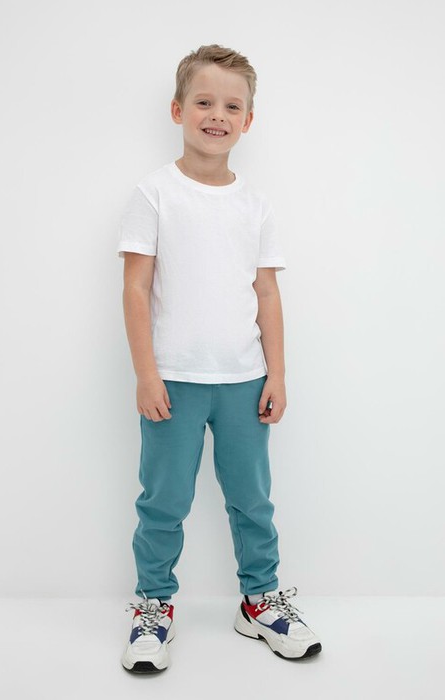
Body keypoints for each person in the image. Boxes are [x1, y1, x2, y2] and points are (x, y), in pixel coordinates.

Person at [117, 44, 322, 674]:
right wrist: (146, 374)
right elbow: (136, 288)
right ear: (178, 110)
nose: (217, 115)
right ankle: (153, 605)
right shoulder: (155, 193)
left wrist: (277, 373)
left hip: (244, 380)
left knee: (252, 499)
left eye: (232, 106)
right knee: (164, 500)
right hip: (174, 382)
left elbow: (267, 293)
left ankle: (260, 601)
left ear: (248, 120)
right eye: (204, 102)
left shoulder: (254, 205)